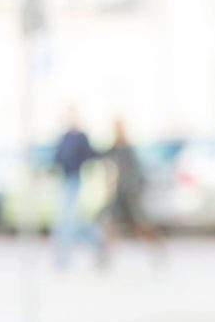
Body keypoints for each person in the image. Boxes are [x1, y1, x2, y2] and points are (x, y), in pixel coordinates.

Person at [51, 107, 106, 269]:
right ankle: (97, 243)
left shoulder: (81, 137)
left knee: (67, 222)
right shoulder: (64, 137)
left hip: (75, 180)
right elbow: (58, 158)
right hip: (64, 180)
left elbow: (91, 154)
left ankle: (64, 259)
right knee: (71, 222)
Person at [103, 119, 164, 258]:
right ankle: (105, 255)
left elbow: (136, 172)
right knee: (110, 224)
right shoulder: (114, 148)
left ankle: (157, 249)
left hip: (130, 194)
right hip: (118, 194)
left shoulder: (127, 149)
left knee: (140, 224)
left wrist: (135, 189)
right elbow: (106, 162)